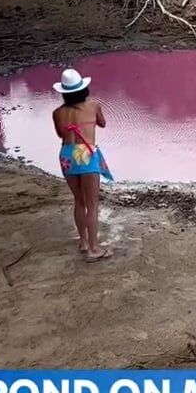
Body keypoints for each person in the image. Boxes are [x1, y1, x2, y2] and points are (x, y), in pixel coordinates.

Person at [52, 68, 114, 262]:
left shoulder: (57, 113)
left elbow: (61, 135)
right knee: (93, 204)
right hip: (86, 152)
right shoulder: (93, 105)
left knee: (79, 201)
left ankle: (84, 242)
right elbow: (102, 123)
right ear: (83, 89)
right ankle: (94, 249)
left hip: (67, 155)